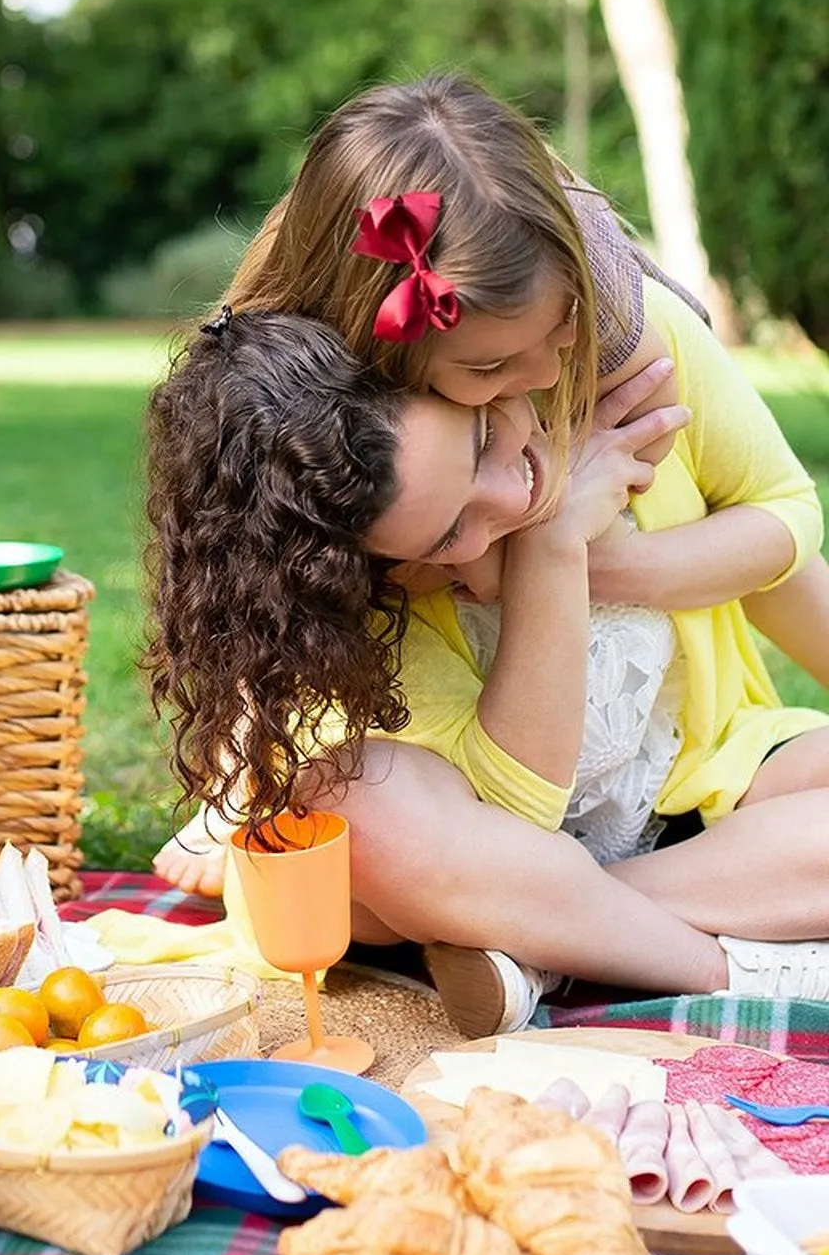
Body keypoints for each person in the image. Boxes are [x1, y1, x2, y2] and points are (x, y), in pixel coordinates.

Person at [151, 72, 829, 905]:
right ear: (383, 354)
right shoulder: (353, 467)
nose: (544, 373)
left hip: (694, 765)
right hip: (479, 805)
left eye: (562, 327)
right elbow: (269, 611)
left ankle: (584, 921)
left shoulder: (631, 348)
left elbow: (787, 517)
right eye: (488, 370)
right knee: (361, 846)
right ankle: (594, 913)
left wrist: (597, 561)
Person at [127, 298, 829, 1037]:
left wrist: (606, 559)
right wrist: (549, 547)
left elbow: (784, 535)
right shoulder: (364, 578)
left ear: (461, 374)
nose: (511, 493)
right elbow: (517, 818)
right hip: (478, 856)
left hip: (697, 800)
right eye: (449, 530)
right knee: (356, 805)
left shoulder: (621, 367)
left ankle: (543, 951)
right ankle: (723, 965)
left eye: (484, 436)